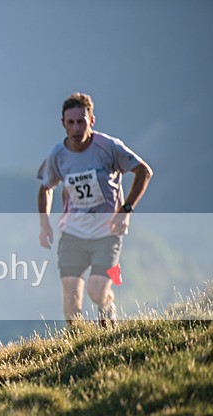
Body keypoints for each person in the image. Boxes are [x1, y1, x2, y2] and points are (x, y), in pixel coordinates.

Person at [37, 92, 153, 326]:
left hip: (106, 232)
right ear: (63, 124)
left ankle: (107, 305)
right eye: (71, 122)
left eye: (81, 121)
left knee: (96, 289)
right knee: (71, 297)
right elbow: (45, 188)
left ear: (91, 121)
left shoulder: (108, 147)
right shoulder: (57, 155)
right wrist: (44, 224)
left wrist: (126, 209)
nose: (76, 128)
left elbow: (144, 172)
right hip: (72, 233)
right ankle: (79, 348)